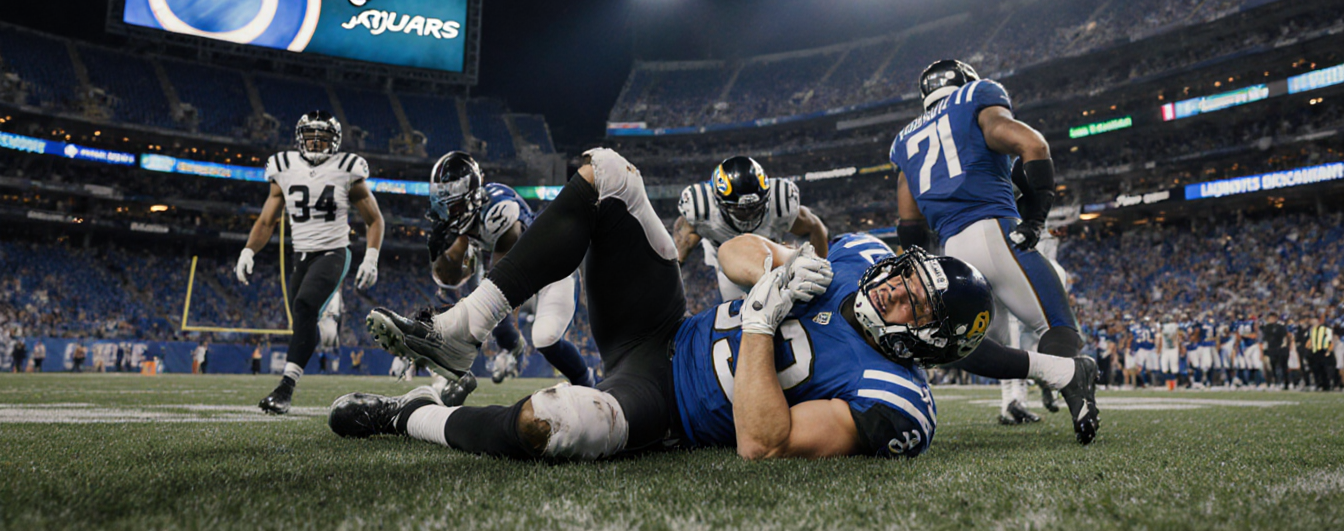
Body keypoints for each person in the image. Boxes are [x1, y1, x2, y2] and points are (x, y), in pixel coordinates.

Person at [337, 149, 1098, 460]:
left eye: (910, 301)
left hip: (665, 398)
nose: (894, 284)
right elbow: (734, 255)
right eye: (909, 274)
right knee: (605, 171)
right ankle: (463, 329)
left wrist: (764, 323)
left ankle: (406, 415)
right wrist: (779, 263)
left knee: (554, 423)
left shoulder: (897, 404)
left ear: (925, 346)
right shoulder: (860, 259)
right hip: (659, 322)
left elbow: (763, 442)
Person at [889, 60, 1086, 421]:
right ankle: (1077, 395)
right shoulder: (975, 97)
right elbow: (1033, 144)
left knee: (969, 344)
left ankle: (1015, 401)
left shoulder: (904, 140)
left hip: (953, 255)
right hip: (996, 232)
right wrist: (1037, 218)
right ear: (966, 82)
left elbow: (910, 223)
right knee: (1057, 326)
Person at [235, 111, 385, 414]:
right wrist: (248, 250)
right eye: (310, 137)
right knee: (303, 322)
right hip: (300, 254)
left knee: (304, 305)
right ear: (299, 138)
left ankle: (285, 389)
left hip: (333, 251)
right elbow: (267, 220)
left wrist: (371, 257)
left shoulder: (346, 168)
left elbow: (374, 219)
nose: (316, 143)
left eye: (323, 137)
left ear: (335, 142)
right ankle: (330, 312)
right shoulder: (284, 167)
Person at [426, 151, 594, 398]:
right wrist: (438, 256)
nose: (448, 213)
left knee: (545, 338)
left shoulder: (499, 209)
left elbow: (504, 281)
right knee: (479, 311)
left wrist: (500, 327)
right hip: (520, 276)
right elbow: (451, 279)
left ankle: (590, 385)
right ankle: (460, 371)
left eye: (453, 205)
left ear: (470, 197)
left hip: (552, 270)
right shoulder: (469, 223)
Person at [674, 155, 829, 301]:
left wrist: (820, 266)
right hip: (729, 273)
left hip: (772, 261)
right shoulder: (702, 210)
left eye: (755, 207)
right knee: (741, 314)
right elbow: (680, 250)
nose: (749, 214)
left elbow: (816, 228)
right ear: (717, 201)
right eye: (740, 209)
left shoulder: (780, 203)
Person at [1306, 315, 1335, 391]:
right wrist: (1309, 348)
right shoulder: (1312, 329)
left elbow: (1330, 340)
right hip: (1314, 352)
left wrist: (1329, 350)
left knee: (1324, 369)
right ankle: (1319, 384)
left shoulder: (1326, 329)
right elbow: (1311, 340)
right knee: (1316, 369)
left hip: (1323, 351)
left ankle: (1326, 385)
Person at [1262, 313, 1290, 390]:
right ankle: (1275, 382)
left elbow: (1285, 337)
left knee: (1282, 366)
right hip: (1271, 349)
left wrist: (1283, 347)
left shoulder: (1281, 327)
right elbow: (1265, 339)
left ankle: (1285, 382)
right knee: (1272, 366)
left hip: (1280, 349)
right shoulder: (1267, 328)